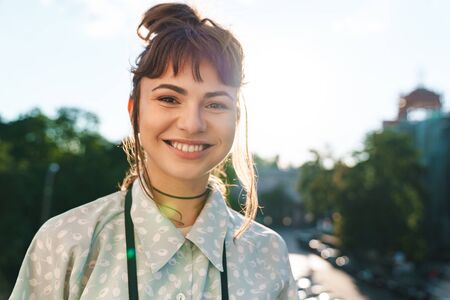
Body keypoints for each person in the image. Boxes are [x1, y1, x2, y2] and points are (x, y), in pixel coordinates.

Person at [10, 3, 298, 299]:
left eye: (215, 104)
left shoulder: (267, 253)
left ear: (235, 119)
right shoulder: (66, 241)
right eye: (169, 99)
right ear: (134, 110)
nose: (192, 124)